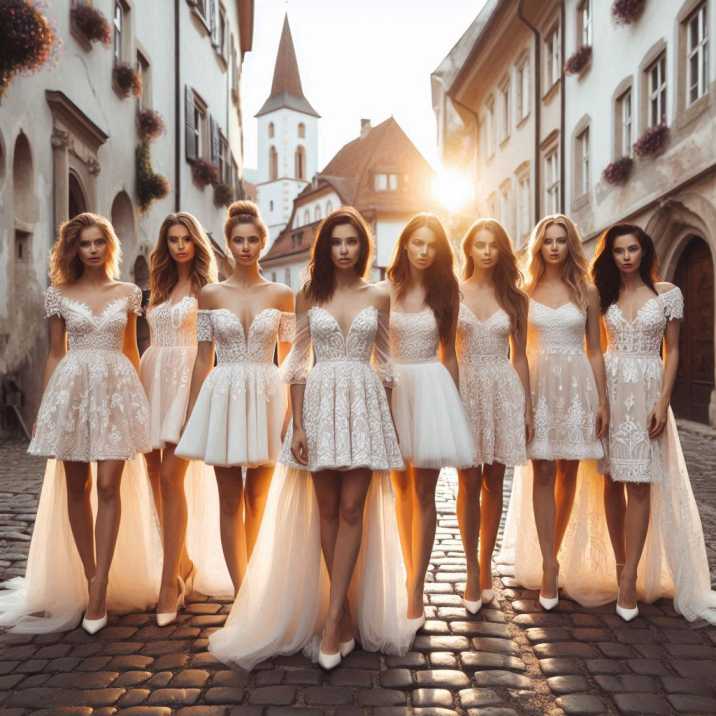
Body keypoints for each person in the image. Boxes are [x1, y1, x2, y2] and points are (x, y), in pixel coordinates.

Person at [208, 207, 413, 672]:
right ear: (326, 247)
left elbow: (386, 363)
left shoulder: (379, 295)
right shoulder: (307, 295)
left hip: (363, 403)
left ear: (362, 247)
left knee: (351, 509)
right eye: (337, 242)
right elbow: (298, 364)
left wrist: (389, 423)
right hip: (318, 404)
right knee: (325, 509)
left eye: (352, 242)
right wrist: (297, 424)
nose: (344, 250)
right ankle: (335, 612)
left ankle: (337, 613)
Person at [0, 213, 160, 634]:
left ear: (109, 247)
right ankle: (90, 573)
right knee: (77, 487)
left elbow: (131, 350)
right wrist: (49, 406)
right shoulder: (58, 294)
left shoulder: (127, 293)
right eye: (84, 243)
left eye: (98, 242)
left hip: (115, 391)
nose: (92, 250)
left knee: (108, 485)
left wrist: (141, 404)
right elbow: (56, 352)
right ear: (73, 248)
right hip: (72, 389)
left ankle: (100, 586)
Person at [591, 224, 716, 622]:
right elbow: (594, 350)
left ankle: (629, 580)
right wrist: (600, 401)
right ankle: (618, 565)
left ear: (644, 252)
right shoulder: (602, 295)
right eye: (618, 251)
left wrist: (663, 401)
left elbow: (674, 349)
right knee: (610, 482)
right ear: (610, 256)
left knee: (640, 483)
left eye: (633, 249)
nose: (626, 257)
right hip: (610, 390)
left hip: (647, 390)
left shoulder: (667, 295)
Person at [176, 201, 294, 604]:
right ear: (228, 244)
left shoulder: (282, 295)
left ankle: (257, 583)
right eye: (238, 240)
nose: (245, 246)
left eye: (252, 240)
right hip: (223, 396)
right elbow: (202, 356)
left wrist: (293, 412)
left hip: (267, 393)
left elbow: (292, 356)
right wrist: (192, 411)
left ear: (263, 243)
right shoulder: (210, 294)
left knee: (258, 498)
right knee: (229, 498)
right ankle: (242, 592)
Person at [497, 214, 608, 610]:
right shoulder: (524, 293)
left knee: (568, 472)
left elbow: (595, 349)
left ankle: (554, 553)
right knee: (542, 470)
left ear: (571, 245)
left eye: (562, 240)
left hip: (578, 385)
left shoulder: (587, 292)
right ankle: (547, 564)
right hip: (540, 384)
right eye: (549, 241)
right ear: (539, 246)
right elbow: (519, 355)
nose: (555, 247)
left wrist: (603, 400)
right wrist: (523, 403)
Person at [381, 213, 474, 619]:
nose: (422, 251)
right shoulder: (385, 291)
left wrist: (452, 405)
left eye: (430, 245)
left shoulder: (447, 291)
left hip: (431, 387)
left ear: (438, 251)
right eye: (416, 243)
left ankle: (417, 588)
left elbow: (449, 353)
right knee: (399, 490)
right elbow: (376, 351)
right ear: (404, 245)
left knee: (424, 492)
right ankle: (406, 571)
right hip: (393, 388)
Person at [140, 212, 227, 626]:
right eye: (172, 239)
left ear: (196, 243)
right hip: (153, 377)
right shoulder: (156, 287)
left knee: (173, 478)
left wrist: (196, 402)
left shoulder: (208, 290)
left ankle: (168, 584)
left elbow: (209, 351)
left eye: (185, 238)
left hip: (186, 381)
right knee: (155, 478)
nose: (179, 246)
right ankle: (184, 563)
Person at [455, 219, 532, 611]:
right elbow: (446, 352)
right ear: (469, 249)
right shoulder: (453, 292)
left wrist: (526, 405)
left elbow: (520, 357)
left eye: (493, 245)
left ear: (502, 250)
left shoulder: (515, 298)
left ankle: (486, 564)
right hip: (465, 387)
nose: (486, 251)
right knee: (468, 481)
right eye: (479, 244)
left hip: (502, 387)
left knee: (494, 482)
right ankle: (470, 569)